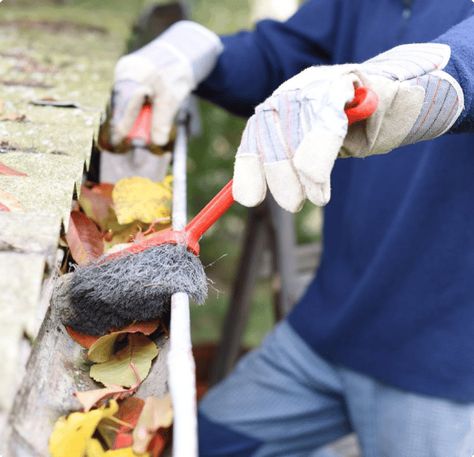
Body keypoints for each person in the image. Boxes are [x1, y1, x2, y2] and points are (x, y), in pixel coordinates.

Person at [108, 1, 474, 455]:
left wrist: (407, 79)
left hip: (439, 361)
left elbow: (466, 57)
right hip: (323, 331)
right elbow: (284, 55)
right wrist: (197, 54)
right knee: (199, 446)